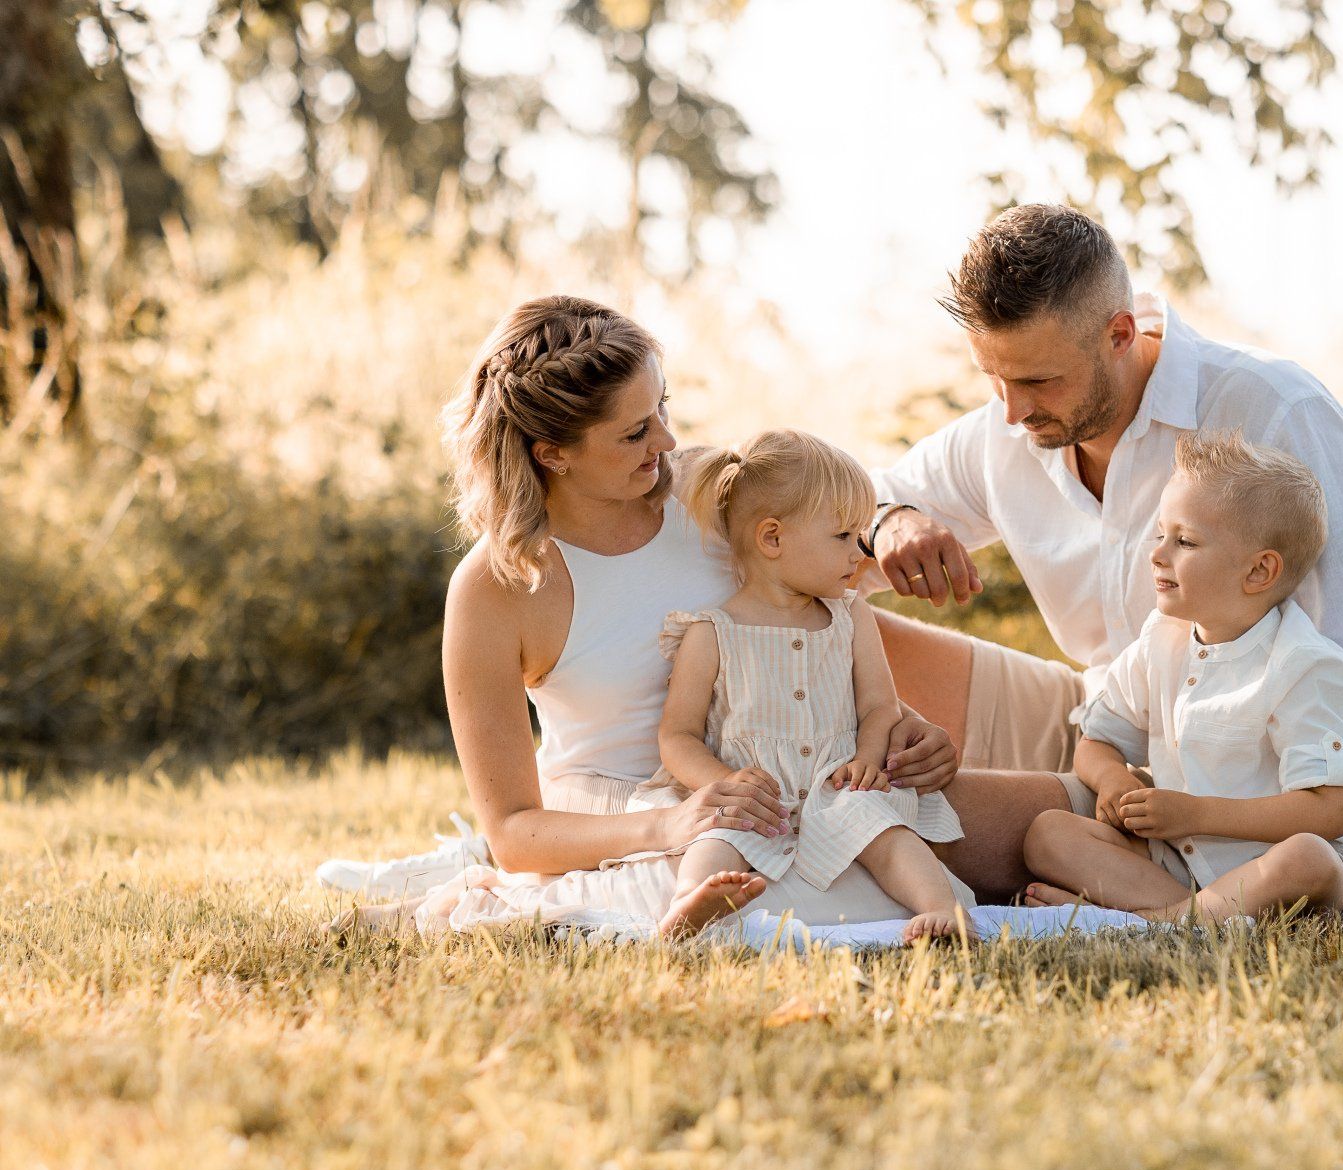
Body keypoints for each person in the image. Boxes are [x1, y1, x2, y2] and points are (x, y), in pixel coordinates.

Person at [326, 294, 1031, 939]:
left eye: (663, 409)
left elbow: (819, 593)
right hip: (644, 817)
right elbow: (514, 827)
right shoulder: (497, 586)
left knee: (1054, 821)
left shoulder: (704, 489)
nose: (664, 442)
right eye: (634, 433)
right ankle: (457, 896)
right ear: (553, 455)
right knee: (797, 899)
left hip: (806, 776)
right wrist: (670, 822)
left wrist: (899, 724)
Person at [864, 204, 1343, 910]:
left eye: (1038, 382)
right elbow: (851, 501)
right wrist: (890, 519)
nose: (1013, 413)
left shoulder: (1275, 409)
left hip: (1225, 771)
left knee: (887, 829)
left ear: (1121, 334)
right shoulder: (1003, 429)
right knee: (844, 632)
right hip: (1103, 722)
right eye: (994, 378)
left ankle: (1154, 903)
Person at [632, 431, 973, 940]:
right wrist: (720, 783)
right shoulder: (709, 632)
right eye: (842, 537)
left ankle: (941, 908)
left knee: (883, 828)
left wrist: (868, 756)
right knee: (718, 834)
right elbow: (676, 735)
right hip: (755, 795)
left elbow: (880, 704)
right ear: (772, 538)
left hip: (835, 783)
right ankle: (690, 904)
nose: (859, 555)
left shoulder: (851, 617)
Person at [1022, 432, 1343, 923]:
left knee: (1309, 859)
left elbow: (1328, 812)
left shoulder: (1303, 664)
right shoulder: (1160, 641)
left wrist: (1195, 813)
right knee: (1048, 834)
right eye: (1160, 534)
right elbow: (1095, 742)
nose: (1158, 553)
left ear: (1259, 572)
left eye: (1184, 541)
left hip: (1268, 870)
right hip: (1177, 862)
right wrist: (1114, 782)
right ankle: (1179, 916)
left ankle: (1146, 922)